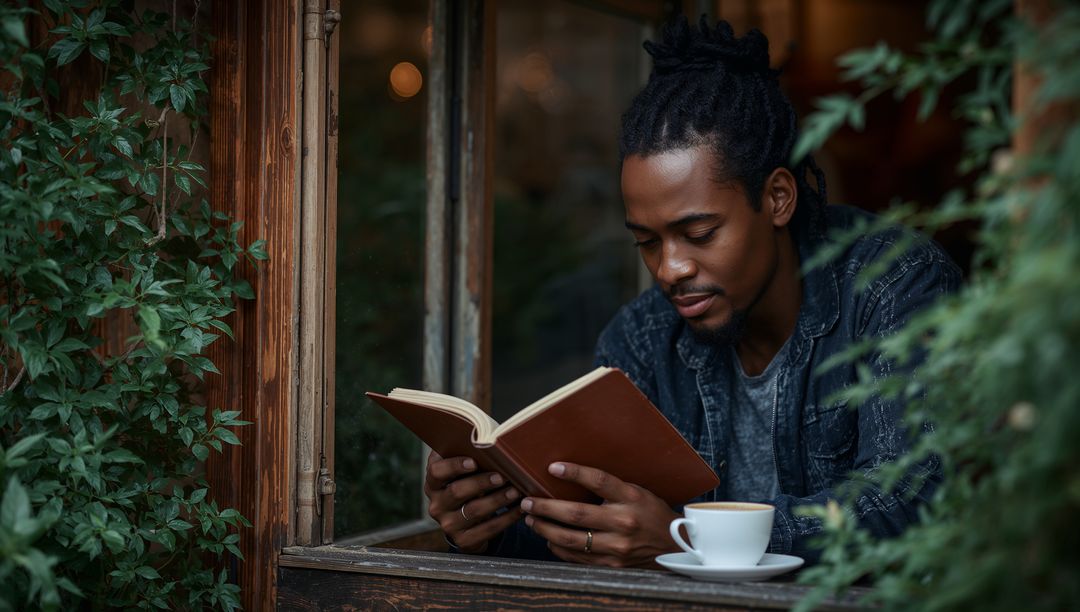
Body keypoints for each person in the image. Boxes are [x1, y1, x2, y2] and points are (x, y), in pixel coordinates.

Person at [424, 16, 961, 567]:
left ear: (778, 197)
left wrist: (690, 538)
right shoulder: (640, 339)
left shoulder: (895, 285)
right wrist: (487, 526)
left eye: (698, 234)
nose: (670, 268)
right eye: (647, 242)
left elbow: (909, 503)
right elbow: (601, 529)